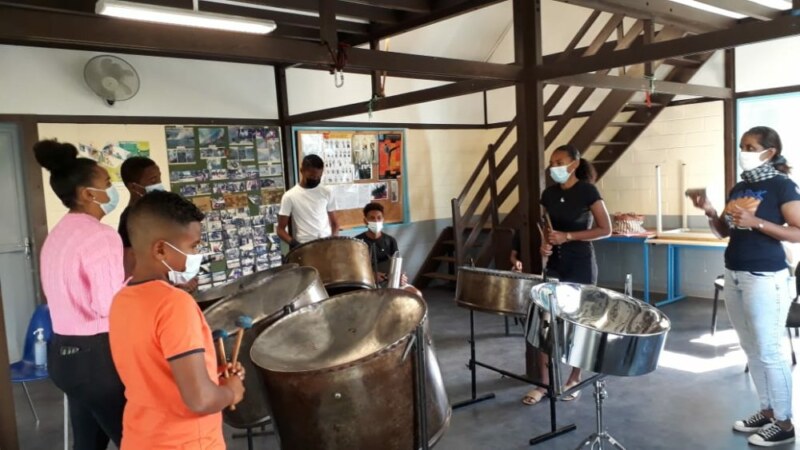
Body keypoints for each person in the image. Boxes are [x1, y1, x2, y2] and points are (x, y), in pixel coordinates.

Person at [689, 126, 800, 447]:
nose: (744, 152)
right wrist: (711, 212)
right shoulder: (740, 187)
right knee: (751, 348)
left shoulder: (782, 186)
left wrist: (758, 223)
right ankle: (767, 411)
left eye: (750, 147)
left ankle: (784, 423)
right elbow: (726, 231)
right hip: (734, 273)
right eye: (742, 146)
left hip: (765, 276)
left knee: (769, 350)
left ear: (770, 152)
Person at [109, 191, 245, 449]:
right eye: (193, 246)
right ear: (161, 249)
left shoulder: (121, 300)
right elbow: (200, 400)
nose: (197, 254)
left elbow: (155, 371)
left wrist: (212, 374)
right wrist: (231, 391)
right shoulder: (174, 304)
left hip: (141, 438)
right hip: (185, 441)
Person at [34, 140, 126, 449]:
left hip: (64, 357)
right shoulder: (101, 236)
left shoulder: (58, 234)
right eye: (107, 183)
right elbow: (107, 305)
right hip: (97, 360)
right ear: (88, 194)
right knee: (138, 439)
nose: (112, 188)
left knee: (87, 444)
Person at [516, 144, 611, 406]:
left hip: (580, 264)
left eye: (559, 162)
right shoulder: (548, 194)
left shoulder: (588, 191)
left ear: (574, 164)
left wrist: (568, 236)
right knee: (545, 322)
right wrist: (544, 245)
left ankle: (574, 378)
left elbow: (605, 229)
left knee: (577, 323)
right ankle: (544, 383)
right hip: (555, 264)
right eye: (552, 163)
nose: (554, 167)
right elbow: (547, 229)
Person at [277, 154, 339, 247]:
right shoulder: (289, 196)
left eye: (318, 177)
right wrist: (296, 244)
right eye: (312, 176)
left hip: (326, 243)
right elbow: (280, 230)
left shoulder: (326, 192)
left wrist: (333, 240)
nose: (315, 179)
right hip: (304, 244)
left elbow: (335, 224)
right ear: (302, 171)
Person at [118, 156, 164, 277]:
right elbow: (129, 263)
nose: (159, 184)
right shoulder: (129, 218)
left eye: (159, 178)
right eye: (153, 181)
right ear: (133, 187)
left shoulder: (155, 213)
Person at [354, 202, 410, 288]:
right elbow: (354, 269)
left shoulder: (390, 241)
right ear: (365, 220)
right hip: (367, 283)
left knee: (415, 293)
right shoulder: (357, 242)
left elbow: (397, 265)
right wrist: (371, 275)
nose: (376, 221)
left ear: (383, 219)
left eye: (379, 218)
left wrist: (401, 277)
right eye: (372, 218)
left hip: (390, 281)